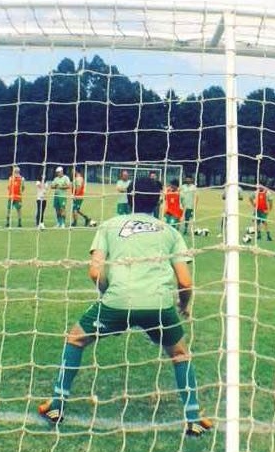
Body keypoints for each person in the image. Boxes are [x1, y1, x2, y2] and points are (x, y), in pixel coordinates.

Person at [37, 176, 212, 437]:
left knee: (75, 339)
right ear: (159, 202)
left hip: (116, 302)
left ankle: (57, 404)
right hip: (159, 305)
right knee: (179, 354)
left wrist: (109, 297)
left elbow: (95, 272)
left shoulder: (109, 226)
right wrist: (184, 306)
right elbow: (185, 282)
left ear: (129, 199)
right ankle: (193, 418)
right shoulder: (171, 232)